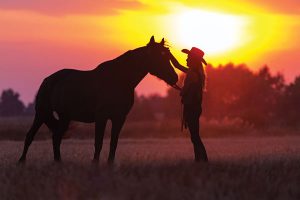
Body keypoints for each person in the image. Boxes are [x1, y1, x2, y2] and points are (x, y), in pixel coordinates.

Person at [169, 47, 208, 162]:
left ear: (193, 60)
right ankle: (200, 160)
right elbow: (177, 65)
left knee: (195, 137)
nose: (186, 59)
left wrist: (181, 91)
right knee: (195, 136)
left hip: (192, 108)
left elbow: (186, 91)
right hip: (194, 108)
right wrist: (170, 56)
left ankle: (202, 160)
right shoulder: (194, 72)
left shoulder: (192, 74)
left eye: (188, 57)